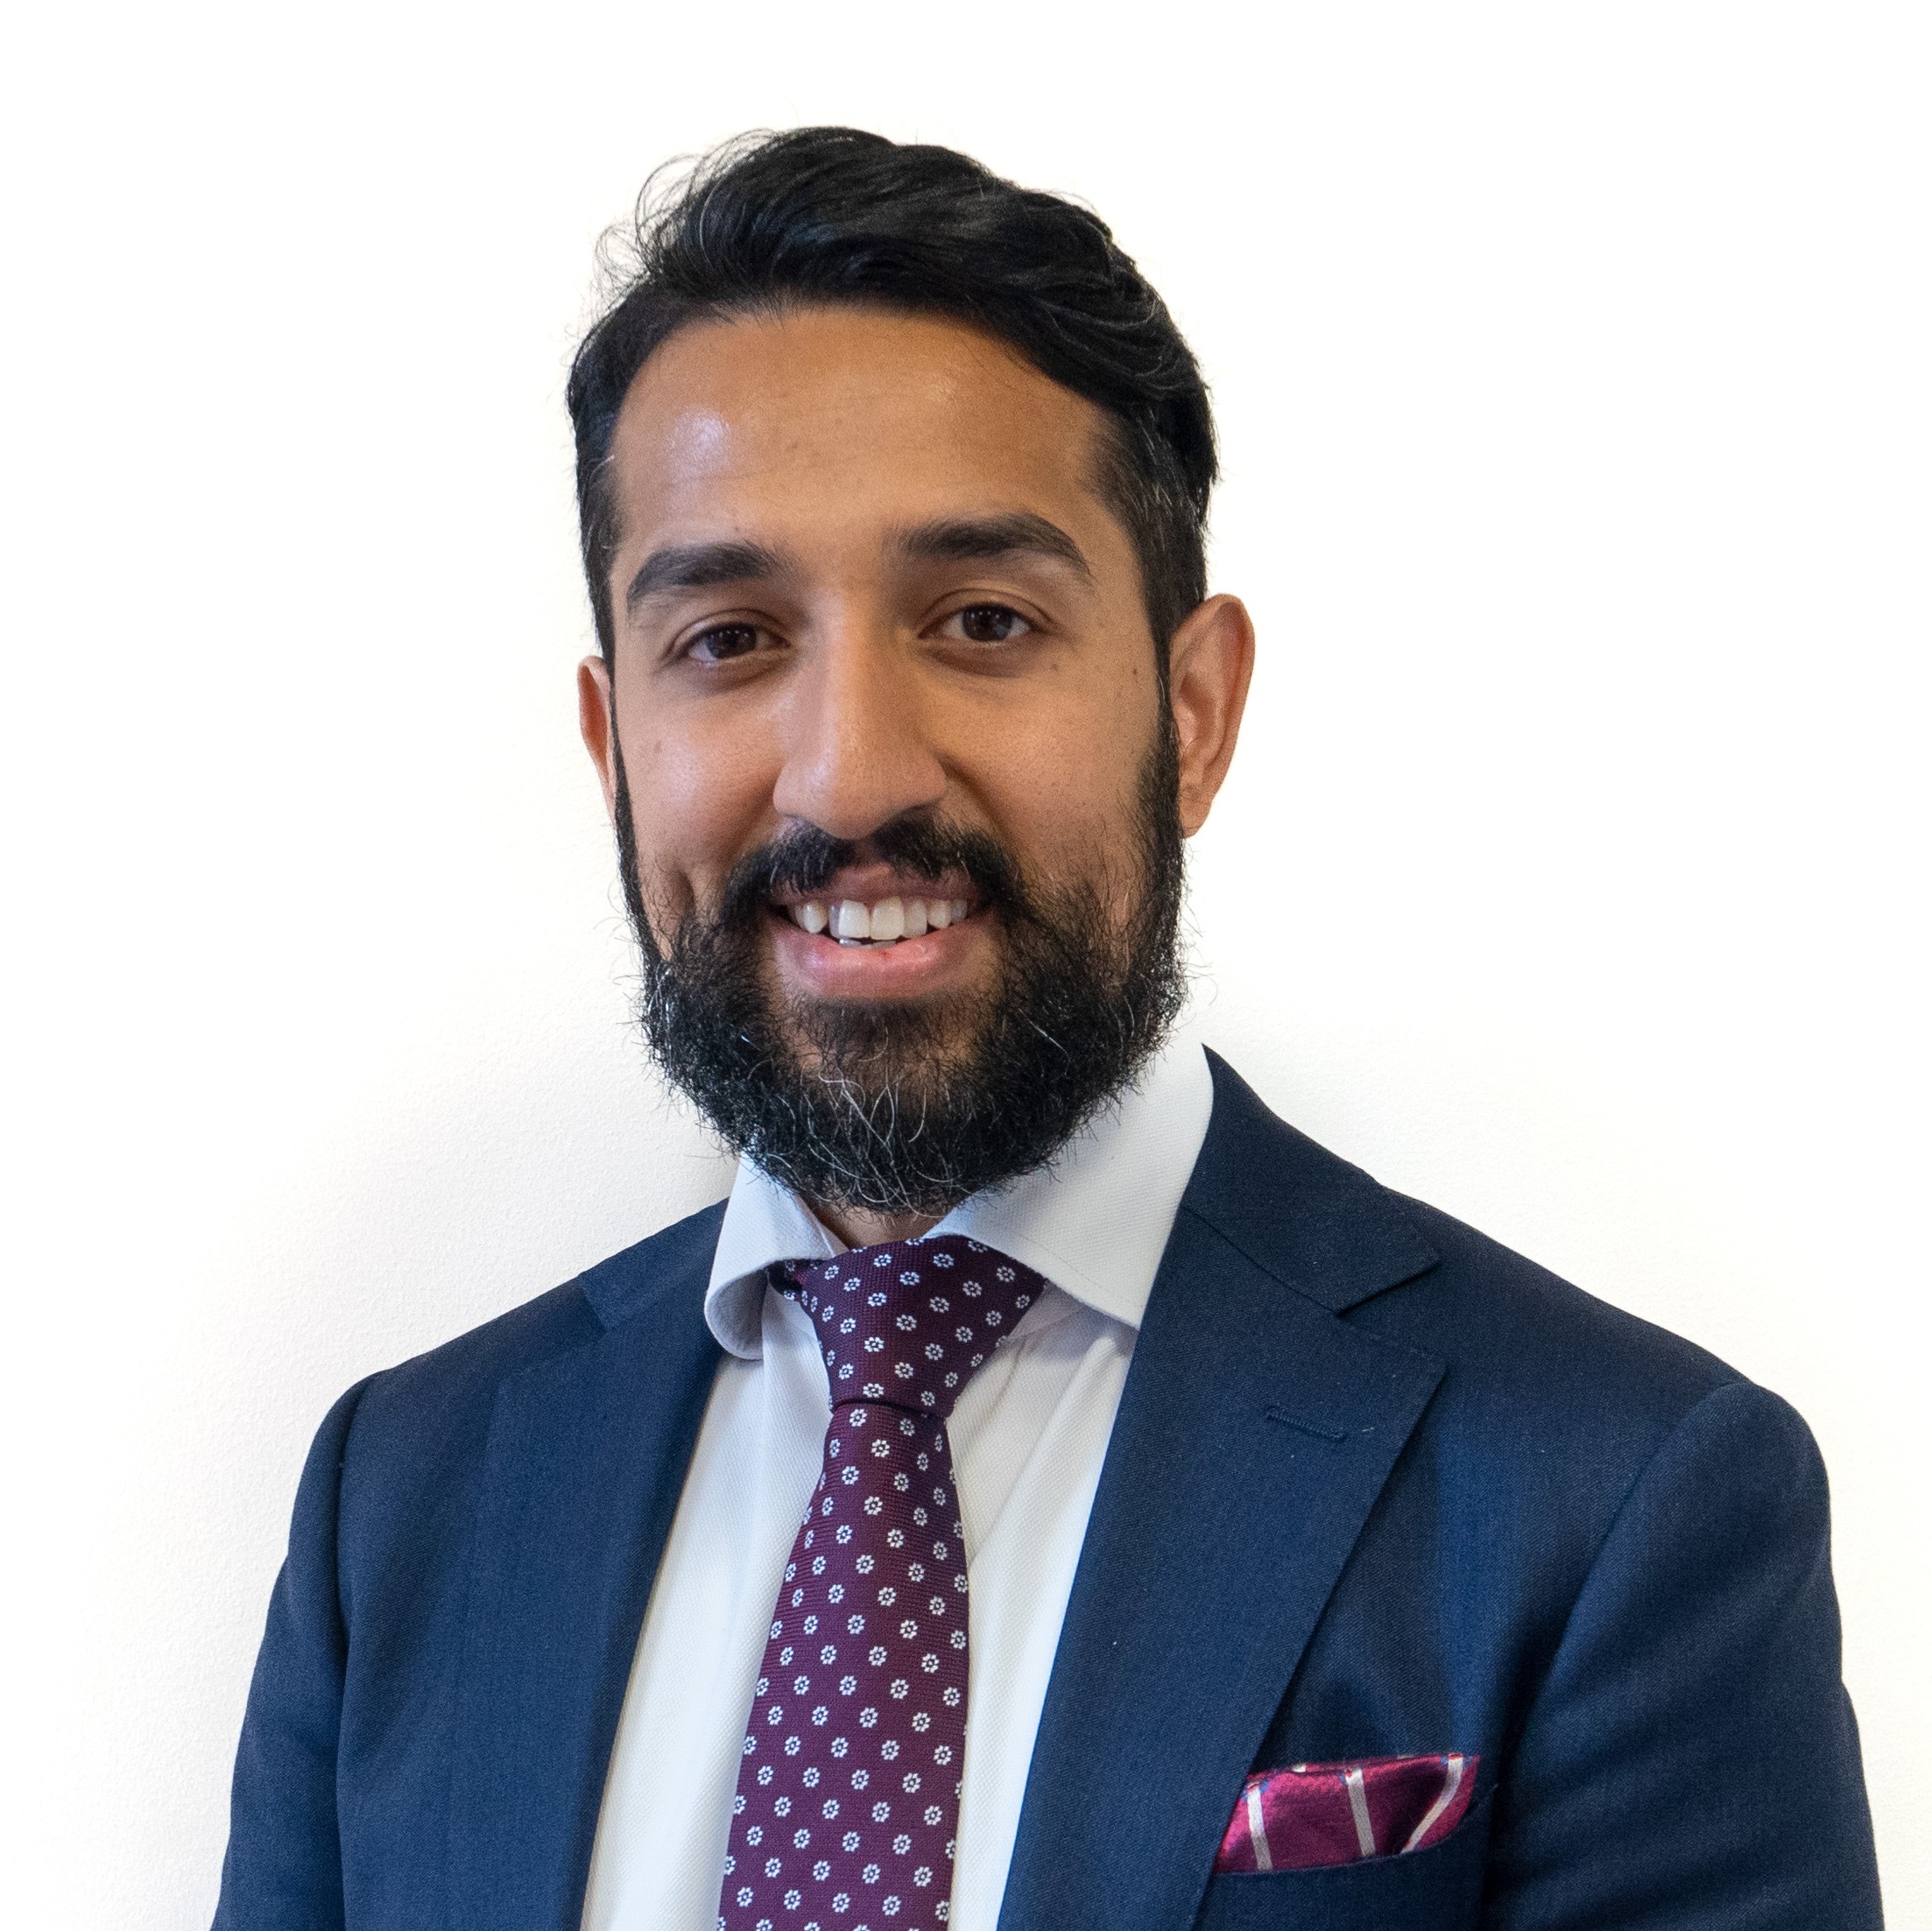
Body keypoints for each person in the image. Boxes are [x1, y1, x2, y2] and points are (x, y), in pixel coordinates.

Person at [213, 128, 1882, 1931]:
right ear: (615, 748)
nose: (850, 767)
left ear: (1191, 711)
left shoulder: (1613, 1496)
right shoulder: (406, 1501)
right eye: (728, 637)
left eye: (982, 619)